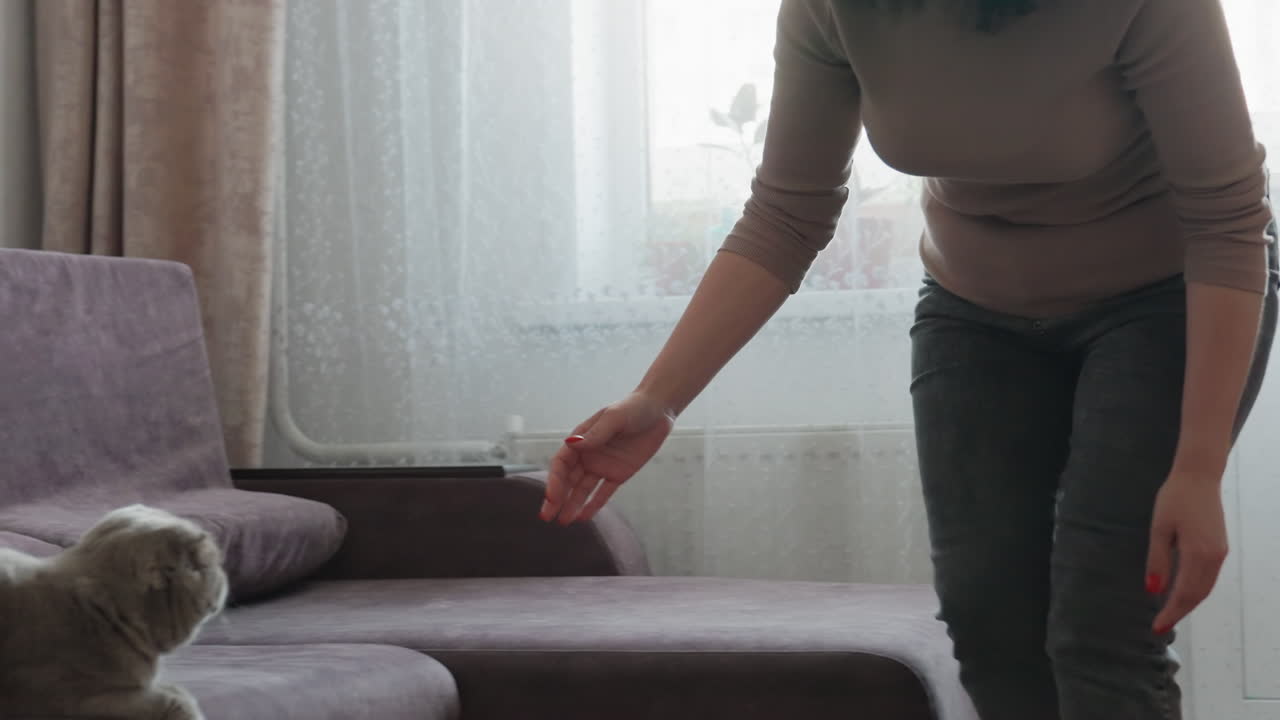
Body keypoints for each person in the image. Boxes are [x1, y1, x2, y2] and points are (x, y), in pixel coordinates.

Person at [538, 0, 1278, 717]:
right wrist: (659, 397)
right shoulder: (830, 9)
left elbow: (1229, 218)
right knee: (991, 627)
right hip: (976, 310)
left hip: (1166, 299)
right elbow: (787, 213)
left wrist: (1198, 466)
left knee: (1103, 627)